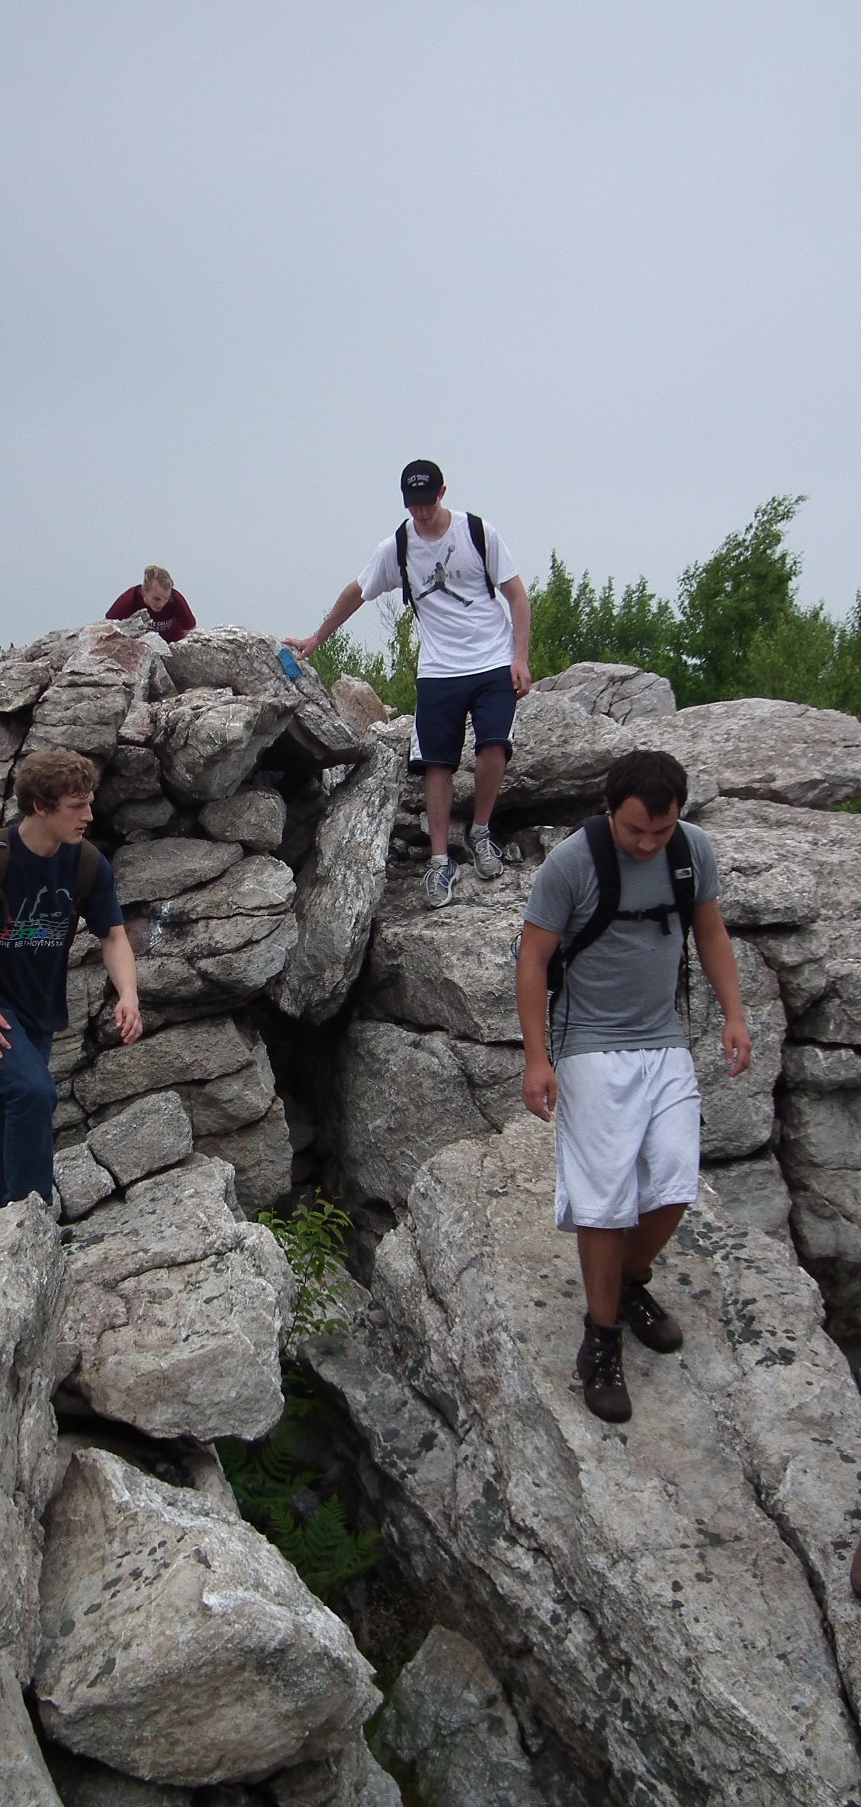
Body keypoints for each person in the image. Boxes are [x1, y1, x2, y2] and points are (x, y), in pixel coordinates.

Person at [516, 749, 752, 1423]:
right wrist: (537, 1059)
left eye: (661, 830)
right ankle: (601, 1339)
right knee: (606, 1197)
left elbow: (710, 931)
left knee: (676, 1177)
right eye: (635, 831)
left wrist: (735, 1015)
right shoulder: (572, 863)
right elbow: (533, 959)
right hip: (589, 1041)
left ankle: (626, 1281)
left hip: (663, 1036)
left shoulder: (691, 851)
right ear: (609, 809)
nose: (649, 844)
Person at [285, 461, 532, 908]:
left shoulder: (478, 533)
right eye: (413, 504)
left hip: (492, 658)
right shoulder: (397, 547)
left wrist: (520, 657)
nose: (421, 512)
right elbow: (357, 592)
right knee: (436, 763)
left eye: (427, 502)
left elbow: (516, 594)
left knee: (494, 746)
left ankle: (480, 831)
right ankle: (439, 861)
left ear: (443, 493)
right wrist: (317, 638)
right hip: (439, 667)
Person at [0, 748, 142, 1233]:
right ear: (40, 806)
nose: (89, 816)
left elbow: (113, 936)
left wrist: (128, 994)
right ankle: (31, 1225)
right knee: (34, 1092)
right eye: (76, 806)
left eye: (90, 803)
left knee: (4, 1113)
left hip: (36, 1013)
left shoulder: (86, 864)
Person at [106, 566, 197, 644]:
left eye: (166, 599)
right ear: (144, 590)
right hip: (137, 646)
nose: (161, 604)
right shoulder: (129, 600)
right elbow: (105, 628)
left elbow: (191, 630)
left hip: (173, 643)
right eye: (156, 599)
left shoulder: (176, 599)